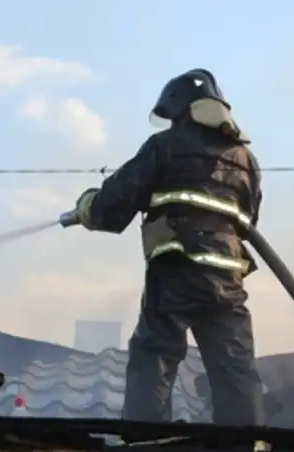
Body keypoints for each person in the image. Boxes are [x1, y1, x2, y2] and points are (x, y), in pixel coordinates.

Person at [70, 68, 265, 427]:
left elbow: (114, 206)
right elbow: (249, 217)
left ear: (183, 110)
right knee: (234, 365)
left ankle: (148, 438)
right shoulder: (245, 160)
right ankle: (246, 441)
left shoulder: (165, 147)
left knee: (154, 353)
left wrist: (87, 207)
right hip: (227, 280)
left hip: (177, 269)